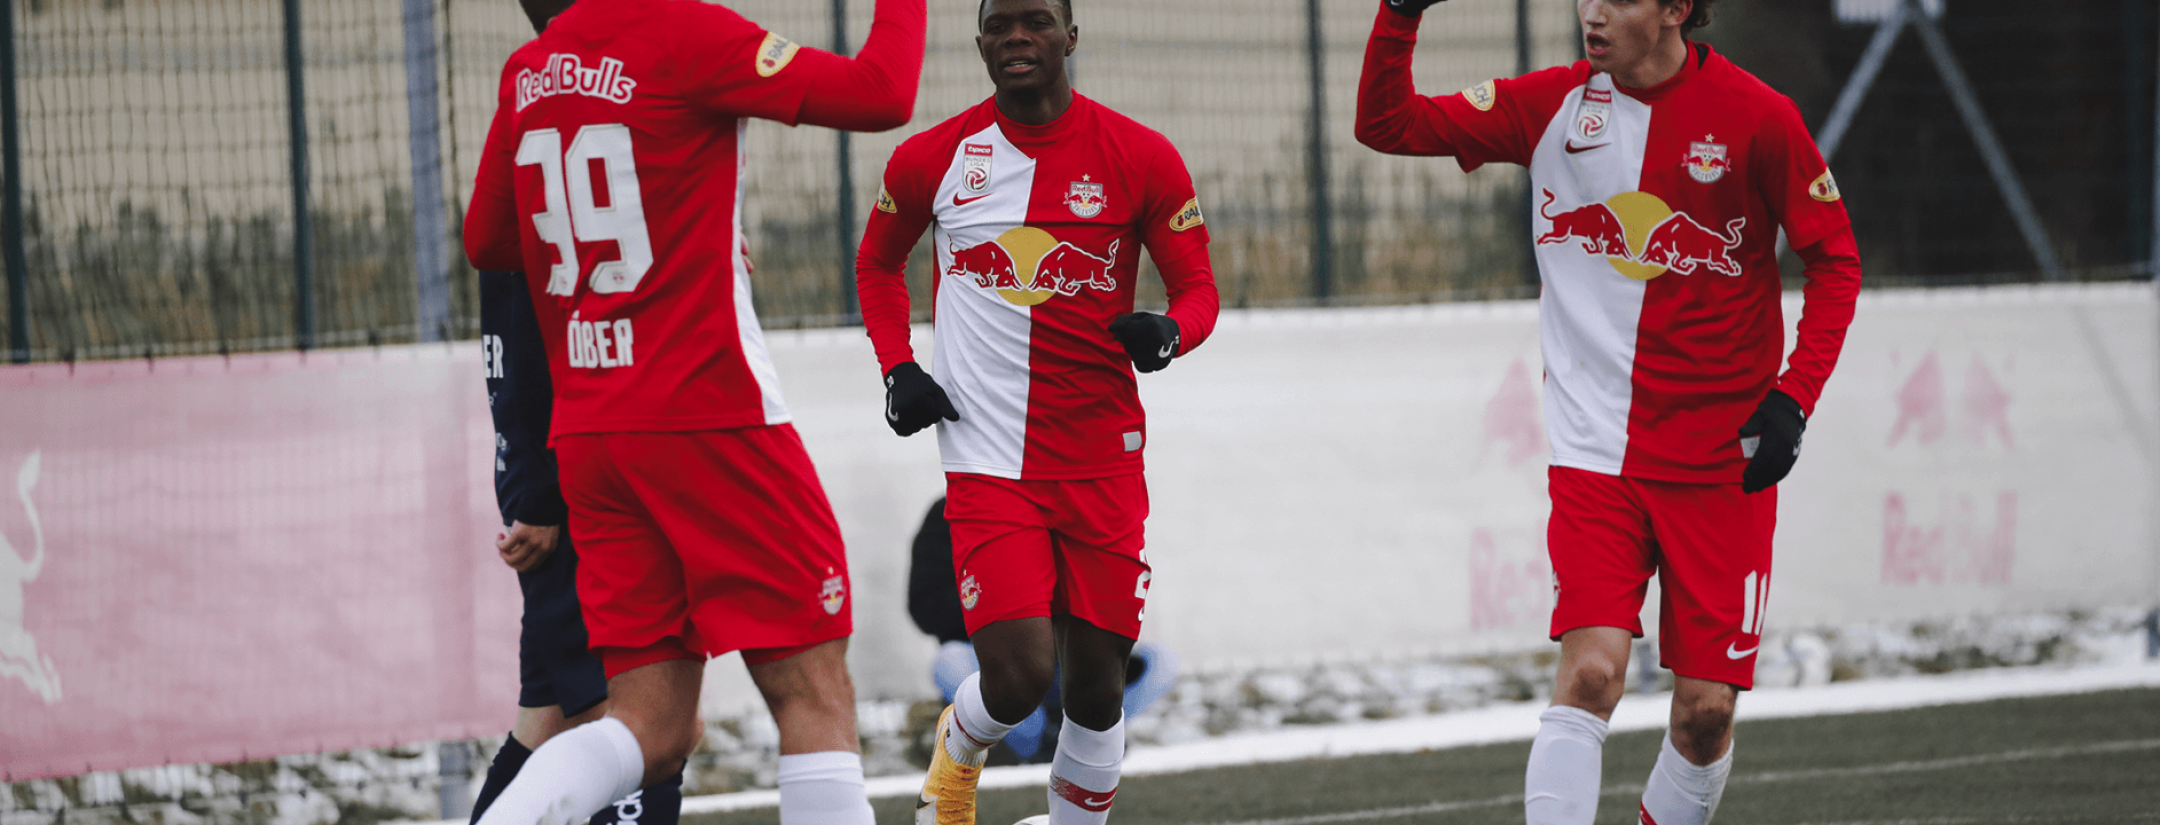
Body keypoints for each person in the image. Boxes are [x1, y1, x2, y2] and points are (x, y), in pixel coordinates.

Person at [1355, 1, 1861, 823]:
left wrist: (1793, 398)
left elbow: (1835, 262)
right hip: (1596, 453)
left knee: (1705, 718)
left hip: (1721, 463)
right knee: (1591, 671)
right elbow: (1386, 124)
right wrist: (1401, 15)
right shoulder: (1547, 104)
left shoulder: (1760, 118)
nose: (1592, 11)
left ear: (1675, 9)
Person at [461, 0, 924, 822]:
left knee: (652, 722)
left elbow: (489, 241)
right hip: (711, 418)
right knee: (813, 692)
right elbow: (882, 92)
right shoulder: (685, 31)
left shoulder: (530, 69)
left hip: (595, 433)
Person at [856, 1, 1221, 821]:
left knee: (1095, 693)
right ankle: (958, 750)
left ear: (1070, 38)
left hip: (1102, 455)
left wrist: (1169, 331)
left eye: (1036, 22)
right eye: (1000, 25)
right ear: (980, 42)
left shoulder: (1141, 155)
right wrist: (898, 368)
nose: (1017, 37)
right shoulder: (933, 157)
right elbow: (877, 262)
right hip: (986, 455)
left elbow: (1199, 291)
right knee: (1018, 677)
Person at [471, 267, 684, 825]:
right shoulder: (551, 208)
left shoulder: (537, 211)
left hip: (565, 482)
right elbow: (538, 348)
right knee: (642, 724)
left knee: (546, 725)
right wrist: (542, 499)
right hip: (580, 495)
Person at [906, 498, 1182, 765]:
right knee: (949, 661)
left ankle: (1087, 737)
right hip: (992, 660)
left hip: (1068, 658)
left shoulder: (1063, 508)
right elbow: (925, 607)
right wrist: (1006, 600)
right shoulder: (950, 515)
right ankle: (1033, 743)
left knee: (1160, 661)